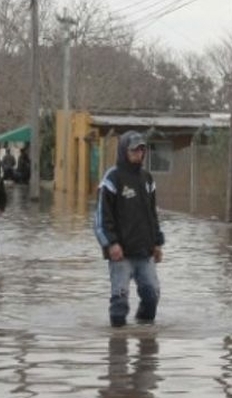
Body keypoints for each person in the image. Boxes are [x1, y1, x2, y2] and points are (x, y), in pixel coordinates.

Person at [93, 131, 165, 327]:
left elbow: (152, 214)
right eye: (134, 150)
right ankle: (117, 347)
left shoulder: (147, 179)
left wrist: (157, 243)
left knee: (152, 296)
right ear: (124, 150)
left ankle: (145, 342)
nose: (139, 153)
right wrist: (111, 244)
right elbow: (100, 218)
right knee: (119, 303)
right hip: (121, 254)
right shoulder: (112, 178)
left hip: (145, 252)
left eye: (142, 149)